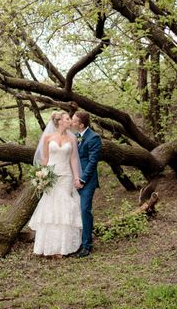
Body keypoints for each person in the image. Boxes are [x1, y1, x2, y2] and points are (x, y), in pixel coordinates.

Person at [28, 111, 82, 257]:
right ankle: (48, 246)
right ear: (59, 121)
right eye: (67, 118)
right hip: (51, 176)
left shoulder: (72, 138)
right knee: (51, 208)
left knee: (65, 207)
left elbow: (74, 159)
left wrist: (77, 177)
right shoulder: (47, 137)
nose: (70, 120)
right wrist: (41, 177)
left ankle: (63, 247)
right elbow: (44, 158)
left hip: (66, 176)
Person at [70, 110, 101, 258]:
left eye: (74, 120)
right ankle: (75, 242)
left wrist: (81, 180)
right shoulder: (75, 136)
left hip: (87, 182)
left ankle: (87, 245)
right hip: (73, 180)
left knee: (85, 210)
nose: (71, 122)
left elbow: (92, 162)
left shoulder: (94, 138)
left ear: (81, 124)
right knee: (73, 211)